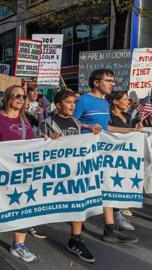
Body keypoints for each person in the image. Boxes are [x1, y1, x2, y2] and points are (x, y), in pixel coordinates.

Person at [73, 69, 138, 244]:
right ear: (96, 82)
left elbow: (106, 128)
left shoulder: (104, 103)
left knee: (107, 186)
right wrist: (87, 127)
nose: (112, 84)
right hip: (85, 154)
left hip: (102, 153)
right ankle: (76, 229)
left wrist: (130, 131)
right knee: (83, 191)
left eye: (112, 81)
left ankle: (110, 229)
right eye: (108, 80)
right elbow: (71, 122)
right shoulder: (83, 100)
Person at [0, 85, 39, 262]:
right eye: (17, 96)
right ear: (7, 98)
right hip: (1, 169)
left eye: (23, 96)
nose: (21, 99)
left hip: (21, 171)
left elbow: (31, 143)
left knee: (24, 204)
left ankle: (18, 245)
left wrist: (46, 141)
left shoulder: (25, 120)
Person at [39, 90, 98, 263]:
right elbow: (38, 147)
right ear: (58, 105)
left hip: (75, 171)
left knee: (78, 201)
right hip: (55, 172)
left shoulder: (76, 122)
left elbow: (80, 144)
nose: (73, 105)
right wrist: (49, 139)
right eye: (69, 102)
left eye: (74, 102)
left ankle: (76, 239)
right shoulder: (48, 123)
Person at [106, 91, 141, 223]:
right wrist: (129, 130)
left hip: (126, 155)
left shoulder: (127, 115)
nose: (128, 102)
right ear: (115, 102)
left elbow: (130, 131)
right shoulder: (108, 116)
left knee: (121, 183)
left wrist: (135, 128)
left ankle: (118, 212)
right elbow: (106, 129)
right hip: (112, 154)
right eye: (125, 99)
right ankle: (116, 215)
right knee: (111, 184)